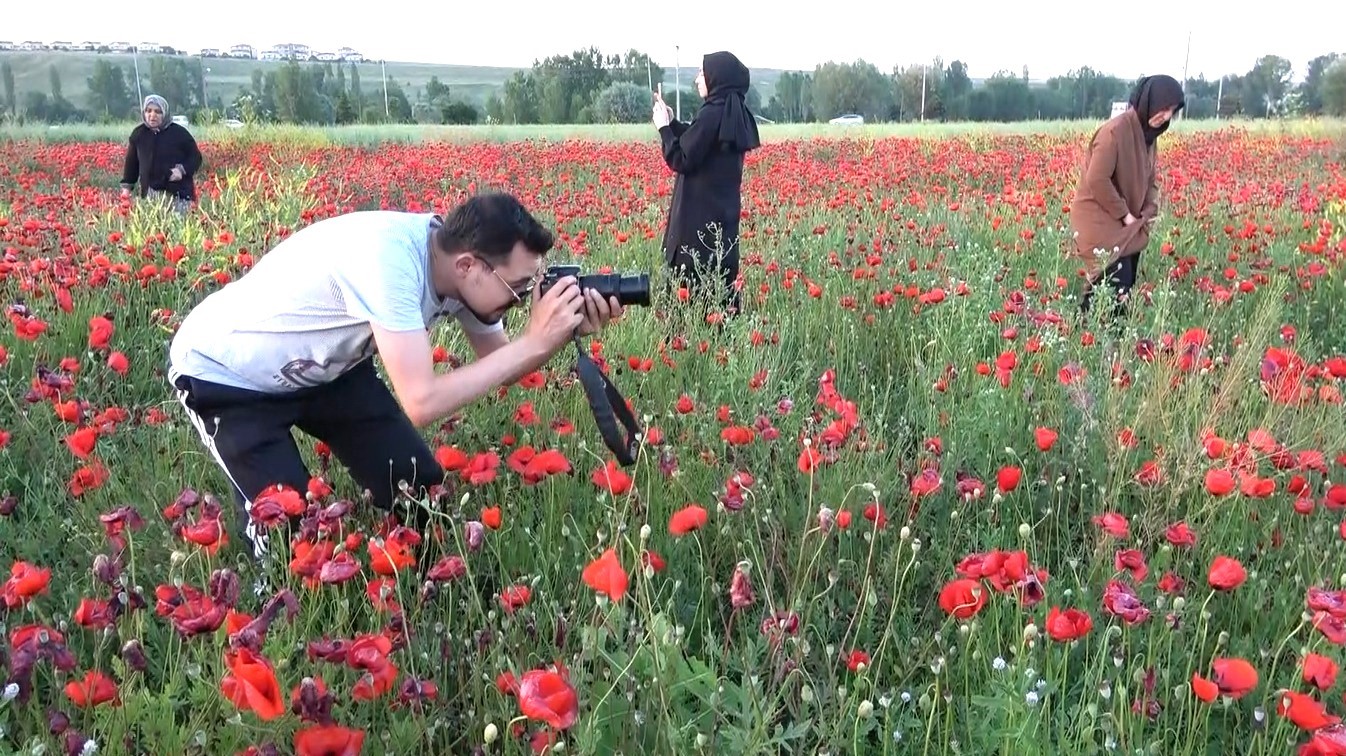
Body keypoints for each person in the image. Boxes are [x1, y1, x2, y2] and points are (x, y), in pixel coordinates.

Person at [166, 193, 624, 560]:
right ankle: (272, 606)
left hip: (327, 369)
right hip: (229, 375)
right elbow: (420, 402)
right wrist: (536, 341)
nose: (522, 301)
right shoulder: (390, 261)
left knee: (417, 486)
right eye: (517, 289)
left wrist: (558, 333)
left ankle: (422, 586)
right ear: (469, 265)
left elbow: (503, 363)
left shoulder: (460, 272)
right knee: (287, 526)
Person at [1070, 74, 1186, 324]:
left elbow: (1150, 179)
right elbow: (1097, 179)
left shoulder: (1148, 137)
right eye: (1163, 108)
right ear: (1148, 102)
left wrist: (1148, 209)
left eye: (1172, 112)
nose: (1165, 116)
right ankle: (1094, 343)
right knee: (1113, 288)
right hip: (1100, 219)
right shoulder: (1113, 132)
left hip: (1127, 222)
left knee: (1120, 289)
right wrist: (1125, 214)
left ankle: (1093, 341)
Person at [652, 50, 761, 316]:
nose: (697, 79)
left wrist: (664, 129)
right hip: (722, 228)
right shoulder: (732, 111)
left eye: (702, 72)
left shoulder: (712, 113)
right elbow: (700, 140)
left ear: (716, 78)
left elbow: (682, 157)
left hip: (695, 231)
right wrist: (674, 123)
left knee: (689, 308)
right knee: (718, 303)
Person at [120, 94, 203, 214]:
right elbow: (131, 164)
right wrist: (126, 189)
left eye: (157, 112)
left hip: (178, 193)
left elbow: (196, 157)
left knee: (178, 228)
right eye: (149, 111)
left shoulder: (179, 133)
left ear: (165, 113)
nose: (152, 115)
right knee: (156, 229)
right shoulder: (139, 134)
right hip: (151, 193)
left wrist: (182, 170)